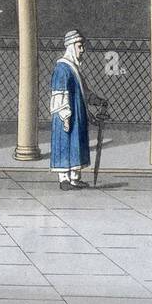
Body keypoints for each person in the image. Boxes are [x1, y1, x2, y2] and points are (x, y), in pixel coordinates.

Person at [50, 30, 90, 191]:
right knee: (65, 143)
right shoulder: (62, 68)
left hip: (77, 114)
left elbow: (84, 91)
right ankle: (64, 179)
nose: (82, 50)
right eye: (80, 46)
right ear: (72, 47)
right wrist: (65, 116)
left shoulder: (74, 68)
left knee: (76, 144)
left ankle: (74, 178)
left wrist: (97, 101)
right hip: (65, 116)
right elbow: (59, 94)